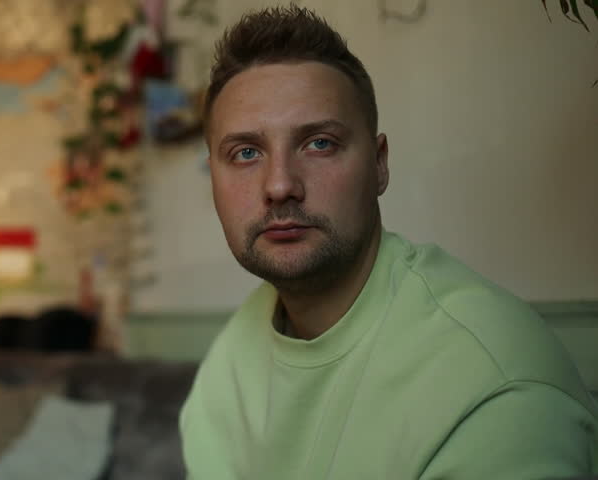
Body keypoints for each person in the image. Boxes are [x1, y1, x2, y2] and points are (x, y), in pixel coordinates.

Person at [179, 5, 598, 479]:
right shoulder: (231, 359)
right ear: (211, 176)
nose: (279, 185)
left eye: (318, 143)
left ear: (379, 165)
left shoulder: (491, 382)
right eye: (246, 152)